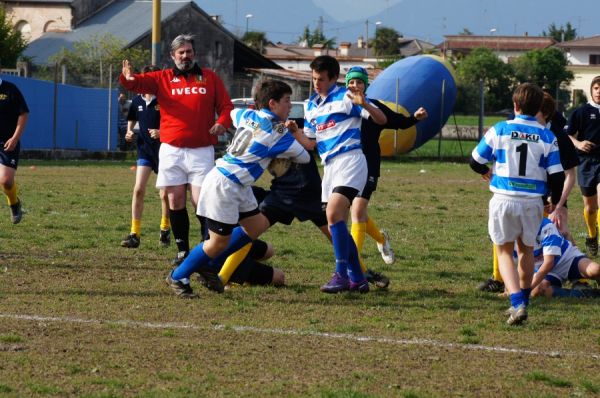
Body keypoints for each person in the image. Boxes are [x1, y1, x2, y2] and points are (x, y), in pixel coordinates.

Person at [165, 79, 310, 298]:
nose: (290, 105)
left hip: (239, 184)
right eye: (287, 101)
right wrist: (294, 132)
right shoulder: (278, 134)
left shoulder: (248, 115)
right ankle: (178, 276)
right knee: (217, 242)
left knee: (256, 227)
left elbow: (232, 114)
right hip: (225, 184)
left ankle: (209, 264)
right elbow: (305, 156)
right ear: (273, 104)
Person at [119, 34, 233, 264]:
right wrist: (127, 77)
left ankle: (207, 250)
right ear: (173, 56)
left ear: (194, 54)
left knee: (201, 201)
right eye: (181, 52)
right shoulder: (162, 78)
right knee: (175, 200)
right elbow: (135, 84)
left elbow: (226, 106)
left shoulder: (209, 78)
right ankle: (182, 252)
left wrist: (223, 122)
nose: (185, 56)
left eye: (189, 51)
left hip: (202, 150)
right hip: (171, 150)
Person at [470, 82, 565, 325]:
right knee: (526, 252)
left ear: (515, 105)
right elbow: (557, 175)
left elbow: (475, 160)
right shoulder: (547, 135)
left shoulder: (500, 129)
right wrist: (553, 201)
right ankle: (524, 299)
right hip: (533, 202)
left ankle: (517, 303)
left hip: (504, 199)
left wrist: (486, 172)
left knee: (503, 251)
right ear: (537, 109)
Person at [295, 55, 387, 294]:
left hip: (351, 161)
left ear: (334, 79)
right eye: (314, 78)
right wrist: (294, 133)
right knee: (336, 223)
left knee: (334, 215)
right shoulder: (311, 106)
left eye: (322, 79)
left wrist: (364, 103)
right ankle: (358, 278)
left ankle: (341, 274)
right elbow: (310, 144)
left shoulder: (346, 97)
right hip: (330, 168)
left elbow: (381, 119)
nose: (317, 83)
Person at [479, 91, 579, 292]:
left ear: (546, 115)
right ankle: (501, 280)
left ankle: (575, 278)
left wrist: (557, 205)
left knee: (556, 236)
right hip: (530, 197)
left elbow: (568, 175)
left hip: (548, 199)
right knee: (511, 242)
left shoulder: (557, 136)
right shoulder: (528, 131)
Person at [345, 66, 428, 270]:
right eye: (351, 81)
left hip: (369, 164)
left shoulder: (374, 106)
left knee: (357, 211)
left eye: (359, 82)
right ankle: (381, 239)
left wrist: (414, 118)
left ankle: (354, 266)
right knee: (359, 214)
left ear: (366, 86)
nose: (355, 85)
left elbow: (397, 121)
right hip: (346, 164)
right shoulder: (341, 107)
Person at [120, 65, 171, 249]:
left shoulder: (164, 100)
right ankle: (135, 234)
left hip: (164, 151)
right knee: (138, 189)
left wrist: (161, 132)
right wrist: (129, 132)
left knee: (164, 194)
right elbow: (132, 119)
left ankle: (165, 229)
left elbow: (174, 122)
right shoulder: (137, 101)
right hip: (144, 150)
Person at [566, 76, 600, 257]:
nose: (599, 91)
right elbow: (567, 135)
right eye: (596, 88)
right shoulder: (581, 112)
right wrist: (578, 144)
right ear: (591, 90)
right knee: (590, 208)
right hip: (586, 163)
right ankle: (592, 236)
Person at [530, 218, 600, 299]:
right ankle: (586, 294)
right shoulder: (517, 231)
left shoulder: (545, 226)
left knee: (595, 269)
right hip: (547, 271)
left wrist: (527, 290)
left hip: (567, 258)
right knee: (537, 291)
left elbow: (548, 262)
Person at [0, 77, 29, 224]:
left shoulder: (10, 89)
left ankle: (14, 204)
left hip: (7, 143)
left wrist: (15, 138)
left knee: (6, 181)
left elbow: (23, 113)